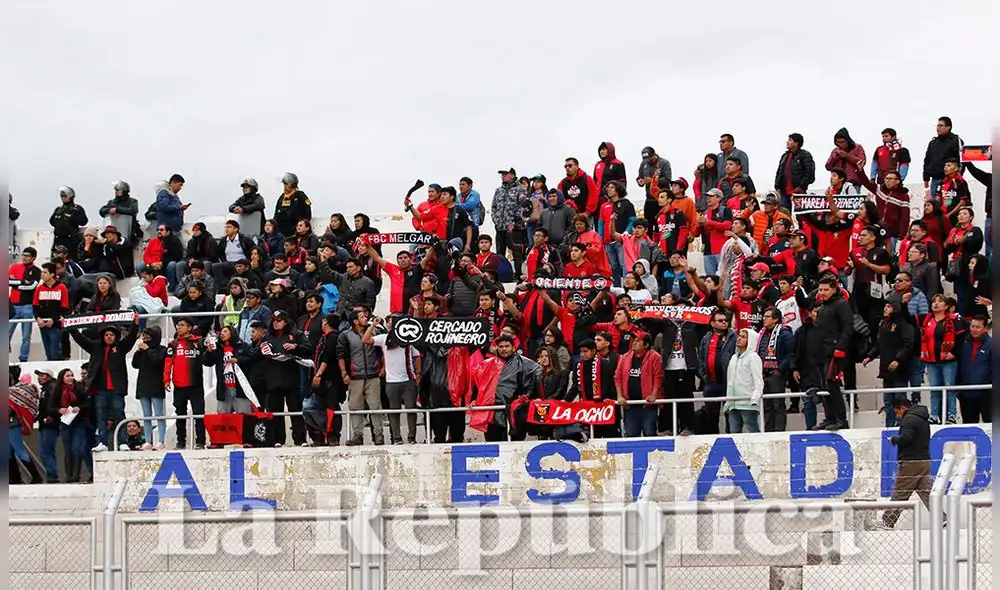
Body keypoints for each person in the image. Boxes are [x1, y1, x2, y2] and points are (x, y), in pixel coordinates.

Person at [68, 317, 139, 452]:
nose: (109, 337)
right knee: (101, 416)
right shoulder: (96, 347)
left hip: (117, 389)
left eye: (111, 335)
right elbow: (80, 340)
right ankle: (103, 443)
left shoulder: (121, 348)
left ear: (116, 336)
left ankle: (123, 442)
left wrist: (135, 325)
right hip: (100, 389)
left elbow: (130, 339)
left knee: (119, 414)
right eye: (106, 335)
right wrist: (70, 327)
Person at [878, 399, 932, 530]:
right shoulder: (923, 419)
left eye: (897, 412)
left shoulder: (908, 419)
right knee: (927, 494)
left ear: (903, 408)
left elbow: (907, 437)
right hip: (924, 461)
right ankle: (941, 518)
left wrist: (894, 439)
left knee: (900, 492)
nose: (897, 416)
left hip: (910, 463)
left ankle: (887, 522)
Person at [259, 310, 310, 446]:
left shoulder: (296, 335)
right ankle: (277, 439)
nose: (275, 323)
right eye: (274, 320)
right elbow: (259, 355)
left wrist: (295, 347)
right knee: (275, 411)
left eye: (279, 320)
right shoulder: (267, 337)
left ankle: (300, 439)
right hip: (273, 379)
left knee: (296, 410)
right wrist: (261, 349)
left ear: (286, 321)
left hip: (292, 378)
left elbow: (308, 348)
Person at [863, 301, 917, 427]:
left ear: (896, 309)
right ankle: (889, 424)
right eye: (885, 306)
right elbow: (879, 344)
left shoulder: (904, 325)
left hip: (900, 369)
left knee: (900, 399)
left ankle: (902, 424)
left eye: (889, 306)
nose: (885, 309)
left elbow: (908, 344)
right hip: (886, 369)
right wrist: (870, 356)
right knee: (888, 401)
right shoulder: (883, 324)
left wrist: (898, 360)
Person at [812, 276, 854, 431]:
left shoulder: (841, 304)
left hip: (836, 352)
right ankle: (830, 417)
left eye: (826, 290)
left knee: (832, 385)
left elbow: (848, 327)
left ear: (834, 289)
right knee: (824, 386)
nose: (822, 293)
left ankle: (841, 419)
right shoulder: (823, 307)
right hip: (823, 352)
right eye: (820, 290)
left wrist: (840, 347)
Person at [337, 309, 383, 445]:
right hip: (355, 376)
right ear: (355, 321)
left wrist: (383, 367)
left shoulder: (375, 332)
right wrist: (344, 373)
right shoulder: (345, 335)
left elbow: (380, 352)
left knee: (375, 406)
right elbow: (340, 356)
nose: (366, 318)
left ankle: (379, 436)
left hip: (373, 375)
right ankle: (358, 436)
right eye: (362, 317)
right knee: (355, 407)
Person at [164, 317, 207, 449]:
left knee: (199, 413)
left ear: (189, 328)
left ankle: (200, 441)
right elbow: (168, 363)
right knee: (180, 414)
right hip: (179, 385)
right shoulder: (173, 344)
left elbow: (208, 357)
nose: (178, 327)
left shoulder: (199, 341)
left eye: (182, 325)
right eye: (178, 325)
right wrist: (166, 380)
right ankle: (181, 441)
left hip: (196, 384)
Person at [920, 294, 963, 425]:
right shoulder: (927, 319)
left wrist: (953, 353)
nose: (936, 304)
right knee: (934, 389)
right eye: (934, 302)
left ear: (946, 306)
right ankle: (934, 415)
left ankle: (952, 415)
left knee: (950, 388)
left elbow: (961, 339)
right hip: (932, 360)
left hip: (948, 361)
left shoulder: (954, 319)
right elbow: (924, 339)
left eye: (940, 301)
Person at [566, 339, 619, 438]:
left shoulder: (605, 364)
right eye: (581, 352)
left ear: (594, 351)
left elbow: (608, 385)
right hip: (588, 410)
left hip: (604, 409)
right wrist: (565, 400)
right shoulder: (577, 365)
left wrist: (600, 399)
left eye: (585, 351)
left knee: (609, 436)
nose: (582, 354)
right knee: (593, 437)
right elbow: (575, 387)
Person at [613, 333, 662, 437]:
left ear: (646, 345)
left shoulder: (655, 357)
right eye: (634, 340)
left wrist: (654, 395)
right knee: (631, 436)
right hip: (630, 406)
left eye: (638, 341)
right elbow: (617, 377)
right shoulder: (625, 357)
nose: (634, 343)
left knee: (649, 434)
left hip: (648, 405)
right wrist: (620, 396)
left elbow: (658, 377)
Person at [49, 368, 93, 483]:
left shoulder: (79, 388)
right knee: (67, 450)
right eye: (67, 376)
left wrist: (79, 408)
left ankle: (76, 475)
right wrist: (59, 410)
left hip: (79, 422)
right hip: (65, 423)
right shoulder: (58, 391)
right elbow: (50, 408)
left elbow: (87, 404)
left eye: (71, 375)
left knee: (77, 448)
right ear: (62, 378)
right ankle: (69, 475)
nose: (70, 378)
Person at [204, 325, 254, 415]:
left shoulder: (242, 346)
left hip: (240, 388)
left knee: (245, 418)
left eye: (225, 331)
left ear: (232, 333)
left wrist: (238, 360)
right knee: (223, 418)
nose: (222, 334)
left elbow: (251, 360)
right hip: (224, 389)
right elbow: (208, 363)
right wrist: (209, 352)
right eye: (221, 332)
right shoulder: (218, 349)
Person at [757, 308, 793, 432]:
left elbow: (791, 354)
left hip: (776, 374)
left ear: (776, 319)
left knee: (778, 405)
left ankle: (779, 432)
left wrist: (780, 369)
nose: (764, 319)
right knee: (767, 405)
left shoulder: (784, 333)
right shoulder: (761, 333)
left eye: (767, 316)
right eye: (764, 316)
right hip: (763, 374)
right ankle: (769, 432)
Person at [132, 325, 168, 450]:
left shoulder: (162, 349)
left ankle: (161, 440)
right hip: (143, 384)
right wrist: (138, 352)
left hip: (156, 384)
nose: (146, 338)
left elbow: (157, 361)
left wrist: (147, 350)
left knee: (159, 414)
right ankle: (148, 440)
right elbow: (135, 365)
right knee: (146, 415)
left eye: (148, 336)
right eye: (144, 336)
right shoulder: (143, 350)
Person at [943, 207, 984, 314]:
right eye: (959, 214)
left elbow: (976, 242)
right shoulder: (954, 231)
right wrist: (953, 242)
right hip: (957, 267)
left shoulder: (975, 230)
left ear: (971, 217)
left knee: (972, 294)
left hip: (971, 266)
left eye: (964, 213)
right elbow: (947, 248)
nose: (961, 215)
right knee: (960, 296)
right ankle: (961, 318)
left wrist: (963, 240)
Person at [724, 328, 763, 433]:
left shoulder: (753, 357)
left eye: (743, 337)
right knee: (734, 436)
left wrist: (754, 399)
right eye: (739, 336)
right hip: (733, 404)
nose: (738, 338)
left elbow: (758, 381)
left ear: (751, 341)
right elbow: (730, 382)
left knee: (753, 433)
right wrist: (728, 401)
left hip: (748, 403)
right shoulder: (733, 358)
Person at [597, 181, 635, 285]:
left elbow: (632, 220)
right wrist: (600, 239)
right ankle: (617, 287)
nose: (609, 189)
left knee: (624, 265)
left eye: (612, 187)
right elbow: (600, 223)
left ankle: (626, 287)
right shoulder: (604, 206)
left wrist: (626, 232)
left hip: (621, 240)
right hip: (608, 242)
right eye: (608, 187)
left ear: (618, 189)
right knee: (613, 266)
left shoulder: (626, 204)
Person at [957, 316, 991, 423]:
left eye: (978, 327)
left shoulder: (993, 345)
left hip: (988, 395)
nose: (974, 329)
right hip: (966, 395)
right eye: (972, 326)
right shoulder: (964, 343)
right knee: (968, 427)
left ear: (986, 328)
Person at [8, 247, 40, 362]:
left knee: (26, 337)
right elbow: (8, 281)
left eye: (27, 256)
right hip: (13, 306)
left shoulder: (37, 270)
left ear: (33, 258)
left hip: (27, 306)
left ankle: (23, 359)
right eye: (23, 255)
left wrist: (17, 283)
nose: (24, 257)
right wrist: (22, 282)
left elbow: (32, 286)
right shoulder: (14, 267)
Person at [33, 262, 70, 361]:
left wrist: (54, 320)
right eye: (42, 272)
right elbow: (35, 306)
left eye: (45, 272)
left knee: (55, 353)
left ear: (52, 274)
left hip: (56, 325)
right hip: (43, 324)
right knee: (48, 353)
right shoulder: (39, 288)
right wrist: (37, 318)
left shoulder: (62, 288)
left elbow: (64, 307)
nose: (42, 275)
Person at [492, 167, 529, 266]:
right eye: (502, 174)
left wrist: (515, 222)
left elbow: (524, 208)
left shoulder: (521, 188)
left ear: (512, 175)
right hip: (500, 227)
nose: (502, 176)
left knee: (517, 253)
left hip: (515, 228)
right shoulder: (498, 190)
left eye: (505, 174)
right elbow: (494, 207)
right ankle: (500, 274)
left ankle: (518, 275)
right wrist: (496, 220)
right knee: (500, 253)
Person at [921, 116, 962, 198]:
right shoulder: (933, 142)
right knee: (935, 206)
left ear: (948, 127)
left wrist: (958, 177)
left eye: (941, 125)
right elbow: (927, 160)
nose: (938, 128)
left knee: (948, 204)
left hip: (950, 179)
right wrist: (926, 177)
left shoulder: (955, 141)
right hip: (935, 179)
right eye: (937, 126)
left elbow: (960, 159)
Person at [774, 132, 816, 210]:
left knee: (799, 215)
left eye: (790, 140)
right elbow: (779, 172)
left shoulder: (805, 155)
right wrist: (777, 186)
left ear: (796, 143)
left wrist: (801, 186)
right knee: (784, 215)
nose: (787, 142)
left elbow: (809, 172)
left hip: (798, 193)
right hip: (784, 193)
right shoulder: (785, 156)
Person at [139, 224, 184, 292]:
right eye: (158, 230)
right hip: (153, 265)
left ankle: (170, 290)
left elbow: (177, 256)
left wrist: (162, 263)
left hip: (166, 266)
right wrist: (151, 264)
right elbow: (146, 255)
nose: (159, 231)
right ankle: (148, 288)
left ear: (168, 232)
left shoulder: (174, 241)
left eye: (162, 230)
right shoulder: (153, 241)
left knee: (172, 264)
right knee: (139, 267)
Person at [636, 146, 672, 230]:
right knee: (647, 226)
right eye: (646, 159)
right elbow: (639, 177)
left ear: (654, 154)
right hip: (649, 199)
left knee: (661, 227)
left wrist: (653, 181)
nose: (648, 161)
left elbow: (667, 180)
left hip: (662, 201)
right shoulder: (643, 164)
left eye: (650, 158)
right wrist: (640, 181)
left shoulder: (664, 163)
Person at [49, 186, 89, 258]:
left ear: (70, 196)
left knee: (70, 261)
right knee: (55, 263)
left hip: (70, 240)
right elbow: (52, 222)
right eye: (61, 196)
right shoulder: (59, 209)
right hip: (58, 240)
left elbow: (84, 221)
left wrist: (71, 218)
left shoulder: (77, 209)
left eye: (64, 196)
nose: (62, 198)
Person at [962, 161, 992, 256]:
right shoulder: (991, 179)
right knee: (990, 247)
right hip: (991, 216)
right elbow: (976, 172)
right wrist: (967, 161)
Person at [213, 219, 256, 283]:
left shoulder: (245, 239)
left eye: (229, 227)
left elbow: (254, 249)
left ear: (236, 229)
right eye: (226, 227)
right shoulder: (223, 240)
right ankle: (223, 287)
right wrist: (224, 261)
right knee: (215, 266)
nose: (226, 229)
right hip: (229, 263)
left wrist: (251, 261)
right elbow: (220, 253)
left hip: (242, 262)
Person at [935, 157, 972, 227]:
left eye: (948, 165)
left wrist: (949, 215)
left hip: (956, 218)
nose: (945, 168)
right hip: (942, 217)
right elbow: (937, 199)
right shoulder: (941, 183)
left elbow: (962, 202)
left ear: (956, 168)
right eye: (945, 166)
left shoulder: (961, 182)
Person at [273, 172, 312, 237]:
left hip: (295, 230)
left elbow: (307, 212)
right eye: (284, 184)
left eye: (286, 184)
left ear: (292, 185)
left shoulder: (300, 195)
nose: (284, 186)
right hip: (281, 230)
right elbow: (276, 213)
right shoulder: (282, 197)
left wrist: (301, 227)